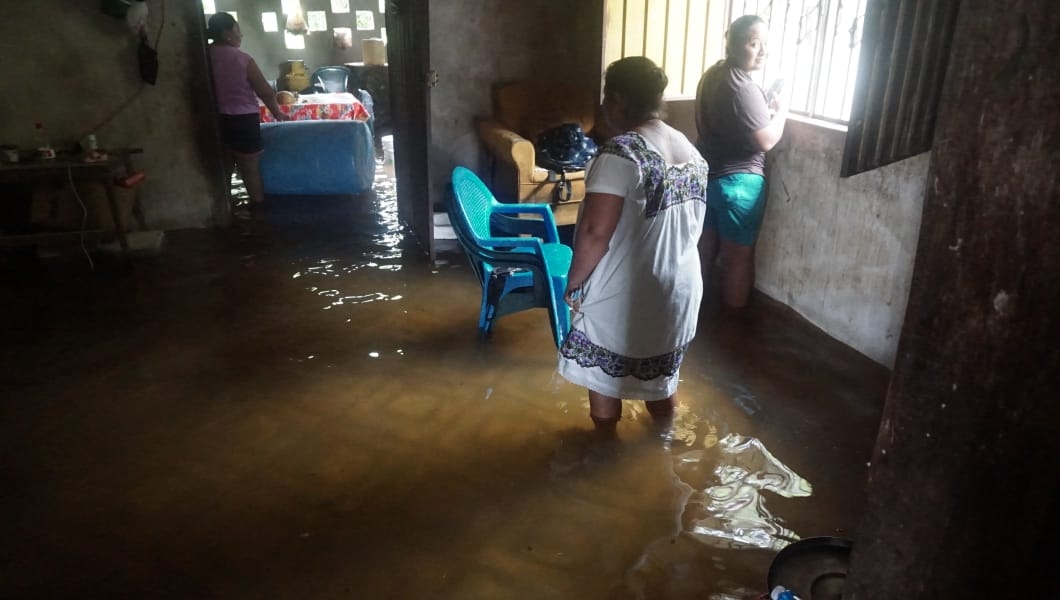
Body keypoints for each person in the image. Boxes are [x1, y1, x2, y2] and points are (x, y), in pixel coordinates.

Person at [557, 57, 710, 431]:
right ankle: (663, 448)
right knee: (660, 381)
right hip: (680, 289)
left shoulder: (620, 154)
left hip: (626, 294)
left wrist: (574, 283)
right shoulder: (690, 150)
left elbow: (594, 233)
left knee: (603, 381)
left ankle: (604, 453)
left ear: (619, 100)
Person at [695, 15, 787, 309]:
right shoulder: (742, 87)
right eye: (753, 43)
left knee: (703, 250)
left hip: (707, 177)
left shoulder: (713, 75)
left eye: (765, 45)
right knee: (737, 259)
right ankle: (733, 332)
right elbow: (766, 141)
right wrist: (782, 111)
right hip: (739, 183)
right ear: (733, 45)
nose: (762, 51)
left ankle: (694, 314)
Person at [206, 12, 289, 215]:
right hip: (242, 120)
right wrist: (277, 113)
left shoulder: (204, 55)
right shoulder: (242, 59)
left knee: (222, 167)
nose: (240, 36)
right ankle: (259, 211)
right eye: (237, 31)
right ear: (227, 34)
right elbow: (265, 91)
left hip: (214, 119)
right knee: (249, 168)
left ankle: (225, 212)